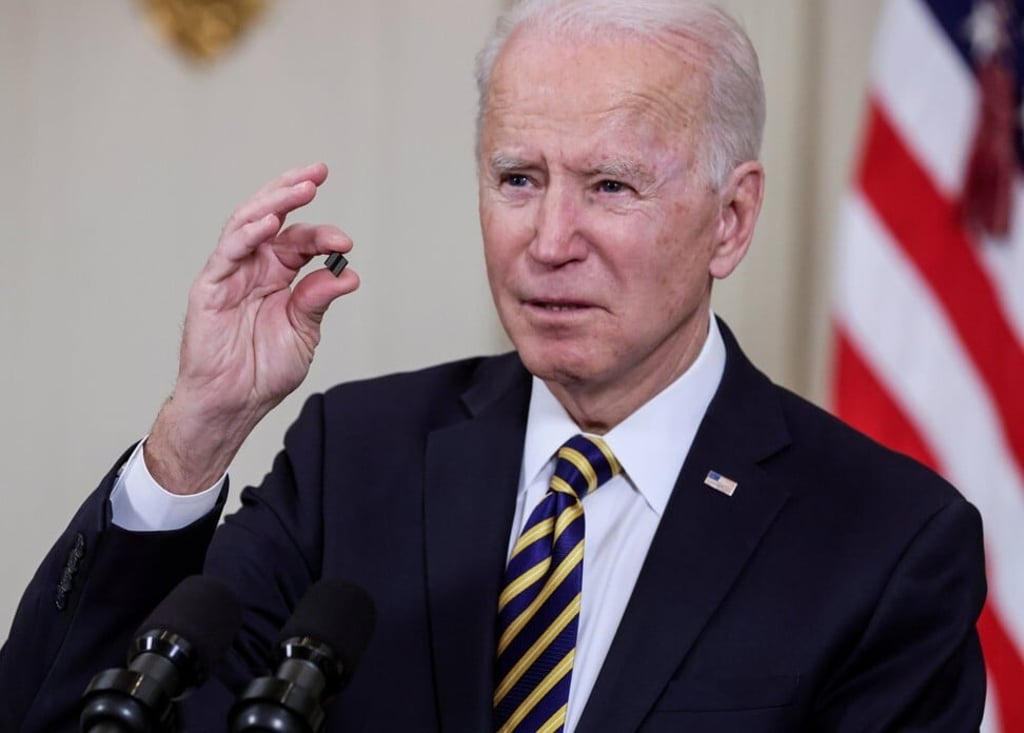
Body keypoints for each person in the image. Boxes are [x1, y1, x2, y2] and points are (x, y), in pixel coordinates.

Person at [1, 0, 987, 730]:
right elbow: (74, 717)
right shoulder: (356, 458)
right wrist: (199, 430)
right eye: (519, 178)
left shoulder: (887, 542)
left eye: (610, 185)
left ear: (729, 220)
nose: (549, 241)